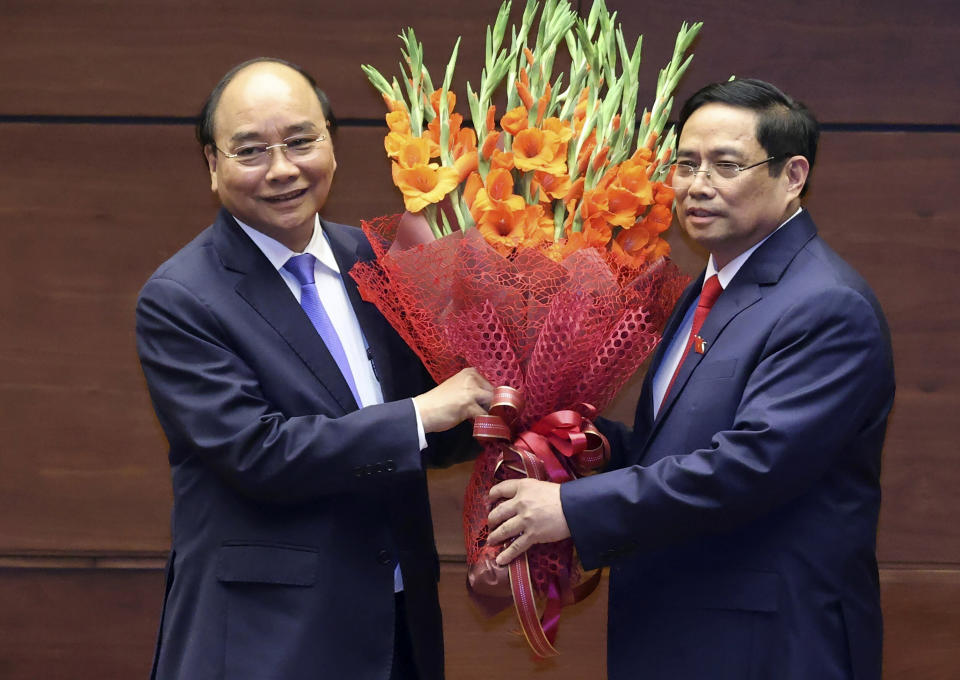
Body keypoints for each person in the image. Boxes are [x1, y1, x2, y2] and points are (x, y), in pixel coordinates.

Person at [486, 78, 895, 679]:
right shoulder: (708, 287)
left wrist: (571, 507)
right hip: (681, 632)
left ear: (793, 175)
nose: (697, 186)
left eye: (726, 165)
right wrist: (586, 444)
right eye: (685, 163)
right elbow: (680, 447)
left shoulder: (827, 305)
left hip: (769, 645)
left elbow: (749, 467)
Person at [136, 57, 492, 680]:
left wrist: (520, 405)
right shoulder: (180, 298)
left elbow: (434, 427)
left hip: (398, 628)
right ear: (212, 165)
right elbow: (257, 453)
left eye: (301, 141)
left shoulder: (381, 260)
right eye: (250, 151)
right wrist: (420, 414)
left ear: (331, 141)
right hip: (268, 642)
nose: (282, 169)